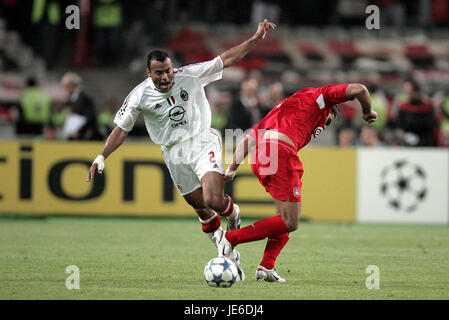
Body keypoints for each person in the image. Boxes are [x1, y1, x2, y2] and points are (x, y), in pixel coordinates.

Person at [85, 19, 277, 281]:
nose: (165, 77)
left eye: (168, 71)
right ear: (148, 73)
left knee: (213, 200)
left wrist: (254, 40)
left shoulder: (190, 74)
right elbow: (121, 129)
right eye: (159, 73)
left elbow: (225, 59)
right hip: (173, 152)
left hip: (202, 141)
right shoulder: (139, 96)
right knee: (201, 210)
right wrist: (101, 156)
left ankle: (233, 216)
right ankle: (226, 250)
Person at [221, 83, 377, 282]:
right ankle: (230, 239)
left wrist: (231, 169)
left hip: (262, 155)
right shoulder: (322, 96)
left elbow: (248, 139)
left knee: (283, 219)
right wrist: (367, 111)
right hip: (280, 151)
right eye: (327, 122)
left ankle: (266, 266)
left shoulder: (282, 108)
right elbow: (360, 90)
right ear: (331, 109)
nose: (323, 126)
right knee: (290, 221)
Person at [60, 72, 103, 141]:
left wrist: (79, 131)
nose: (64, 89)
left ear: (72, 86)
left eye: (65, 86)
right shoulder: (71, 99)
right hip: (74, 134)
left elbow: (90, 117)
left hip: (85, 136)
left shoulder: (85, 98)